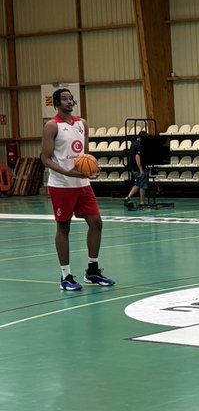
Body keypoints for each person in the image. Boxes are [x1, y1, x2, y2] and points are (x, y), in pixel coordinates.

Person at [41, 87, 114, 291]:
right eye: (64, 99)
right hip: (61, 185)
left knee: (96, 223)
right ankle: (65, 276)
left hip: (82, 184)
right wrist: (66, 172)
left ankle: (92, 271)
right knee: (63, 228)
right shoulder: (51, 126)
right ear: (56, 103)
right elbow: (44, 158)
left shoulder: (82, 124)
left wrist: (92, 169)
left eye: (71, 98)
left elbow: (85, 155)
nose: (69, 101)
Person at [124, 130, 149, 209]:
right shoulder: (140, 145)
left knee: (137, 184)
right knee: (143, 185)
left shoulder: (133, 144)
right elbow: (137, 157)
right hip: (138, 168)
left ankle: (128, 197)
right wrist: (141, 169)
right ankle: (142, 202)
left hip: (133, 167)